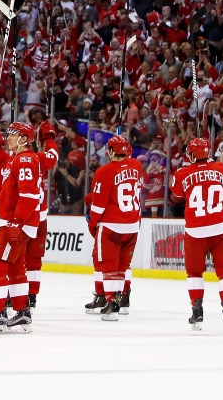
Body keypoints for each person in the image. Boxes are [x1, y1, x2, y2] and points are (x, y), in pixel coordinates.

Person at [0, 121, 50, 333]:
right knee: (16, 267)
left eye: (13, 135)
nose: (9, 138)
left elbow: (29, 194)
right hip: (20, 221)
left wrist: (17, 221)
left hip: (15, 221)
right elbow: (3, 162)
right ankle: (22, 312)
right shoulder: (17, 159)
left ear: (25, 139)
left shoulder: (25, 159)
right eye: (8, 134)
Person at [169, 137, 223, 331]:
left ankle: (197, 310)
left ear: (191, 155)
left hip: (196, 230)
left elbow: (176, 194)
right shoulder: (220, 168)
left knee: (194, 272)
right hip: (222, 228)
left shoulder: (183, 172)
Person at [86, 135, 144, 321]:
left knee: (109, 265)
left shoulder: (104, 171)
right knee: (122, 266)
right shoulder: (136, 166)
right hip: (133, 225)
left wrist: (93, 223)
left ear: (110, 151)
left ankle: (111, 303)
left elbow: (98, 205)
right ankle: (120, 299)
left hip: (111, 225)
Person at [22, 122, 59, 309]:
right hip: (40, 217)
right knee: (34, 259)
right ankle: (32, 295)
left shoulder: (15, 162)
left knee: (15, 258)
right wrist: (49, 138)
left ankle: (15, 294)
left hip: (22, 218)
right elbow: (53, 155)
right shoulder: (39, 159)